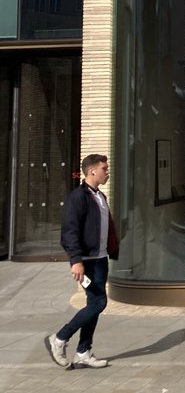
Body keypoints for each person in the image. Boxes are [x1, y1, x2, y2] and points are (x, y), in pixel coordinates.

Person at [45, 154, 119, 369]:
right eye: (104, 168)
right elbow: (70, 231)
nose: (107, 172)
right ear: (92, 170)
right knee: (99, 302)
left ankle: (83, 352)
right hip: (86, 261)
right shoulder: (78, 197)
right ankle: (60, 338)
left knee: (93, 305)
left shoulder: (100, 196)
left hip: (100, 258)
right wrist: (76, 261)